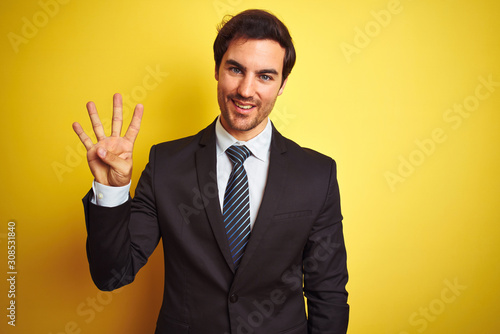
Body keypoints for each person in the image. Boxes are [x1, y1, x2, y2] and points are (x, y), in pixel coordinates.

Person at [73, 9, 349, 334]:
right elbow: (112, 275)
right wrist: (112, 192)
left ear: (282, 84)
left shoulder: (317, 174)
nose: (246, 90)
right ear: (217, 69)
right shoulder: (166, 164)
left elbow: (327, 293)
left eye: (265, 76)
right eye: (235, 69)